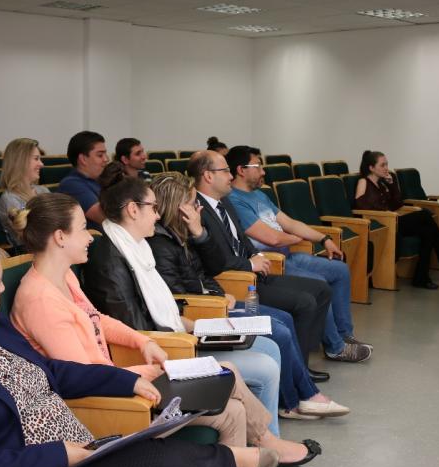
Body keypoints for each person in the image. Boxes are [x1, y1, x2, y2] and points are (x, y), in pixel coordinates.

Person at [0, 222, 274, 467]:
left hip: (77, 450)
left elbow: (51, 372)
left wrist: (123, 381)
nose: (3, 290)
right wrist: (54, 456)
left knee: (152, 448)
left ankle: (230, 461)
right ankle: (233, 461)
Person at [7, 193, 320, 467]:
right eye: (82, 229)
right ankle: (266, 441)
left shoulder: (64, 276)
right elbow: (83, 374)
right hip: (103, 403)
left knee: (233, 411)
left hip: (119, 382)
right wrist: (151, 372)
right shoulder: (40, 300)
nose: (90, 235)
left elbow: (98, 320)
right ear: (60, 237)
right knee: (228, 372)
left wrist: (142, 342)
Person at [80, 164, 288, 426]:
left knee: (268, 346)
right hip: (167, 351)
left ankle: (265, 443)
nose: (158, 216)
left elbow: (165, 304)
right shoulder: (112, 260)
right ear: (133, 210)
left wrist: (202, 326)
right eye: (153, 208)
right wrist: (195, 331)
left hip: (176, 337)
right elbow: (135, 327)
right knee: (265, 367)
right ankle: (268, 444)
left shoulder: (137, 248)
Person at [148, 173, 349, 421]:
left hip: (217, 302)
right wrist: (218, 299)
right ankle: (296, 401)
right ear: (179, 208)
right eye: (192, 203)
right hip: (205, 313)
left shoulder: (185, 234)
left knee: (284, 319)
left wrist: (201, 237)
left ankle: (303, 393)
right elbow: (182, 294)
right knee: (281, 329)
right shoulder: (162, 244)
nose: (198, 207)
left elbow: (208, 269)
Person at [186, 150, 334, 384]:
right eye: (225, 171)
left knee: (321, 289)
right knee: (304, 302)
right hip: (235, 280)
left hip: (253, 272)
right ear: (208, 176)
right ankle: (298, 374)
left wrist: (255, 254)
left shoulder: (224, 201)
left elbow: (241, 239)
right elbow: (214, 258)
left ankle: (300, 364)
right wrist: (249, 263)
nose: (230, 176)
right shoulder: (197, 211)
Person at [226, 146, 372, 363]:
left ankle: (345, 335)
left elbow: (290, 223)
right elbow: (272, 238)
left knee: (339, 270)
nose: (263, 171)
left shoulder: (260, 195)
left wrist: (324, 239)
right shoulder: (234, 201)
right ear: (241, 170)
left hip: (289, 256)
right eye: (258, 166)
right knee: (319, 282)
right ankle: (335, 347)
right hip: (272, 262)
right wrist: (298, 239)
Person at [354, 150, 439, 290]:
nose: (386, 168)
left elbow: (397, 204)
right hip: (383, 224)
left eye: (387, 164)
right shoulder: (363, 182)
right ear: (371, 168)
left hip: (394, 221)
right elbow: (359, 206)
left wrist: (392, 184)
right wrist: (382, 211)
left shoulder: (383, 184)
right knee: (424, 215)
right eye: (382, 165)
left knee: (427, 232)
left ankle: (421, 278)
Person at [0, 137, 50, 251]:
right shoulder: (9, 199)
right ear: (20, 161)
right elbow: (28, 239)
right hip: (32, 255)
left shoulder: (43, 191)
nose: (41, 164)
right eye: (36, 159)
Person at [59, 131, 108, 231]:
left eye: (105, 154)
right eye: (100, 155)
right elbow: (105, 217)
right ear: (83, 159)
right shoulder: (71, 184)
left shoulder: (101, 180)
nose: (106, 159)